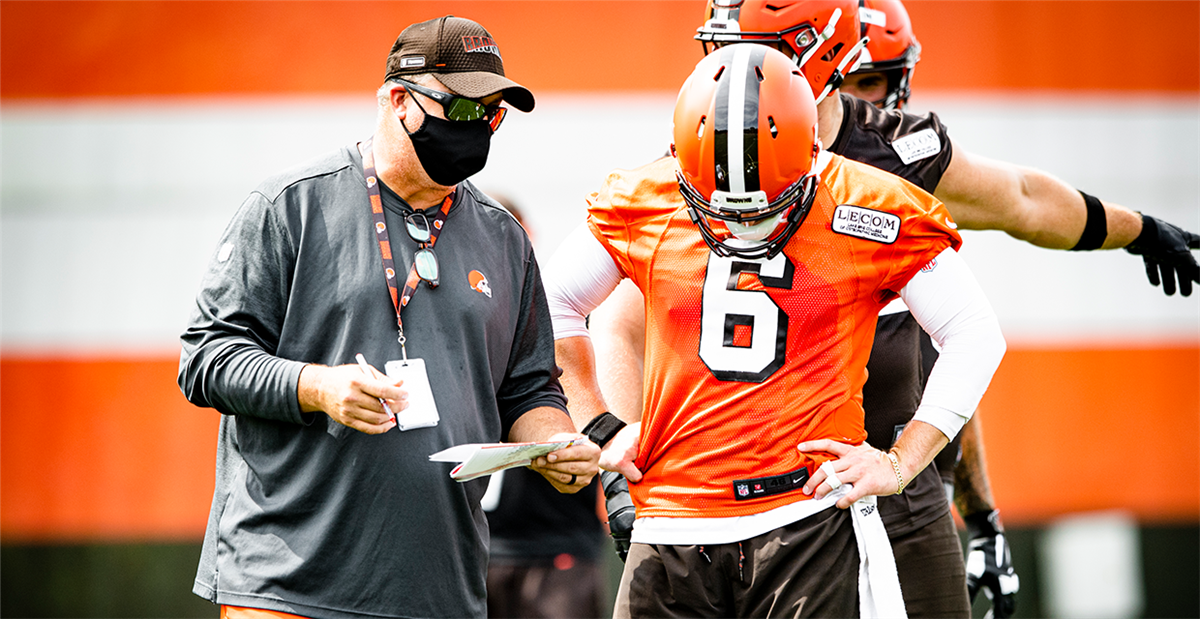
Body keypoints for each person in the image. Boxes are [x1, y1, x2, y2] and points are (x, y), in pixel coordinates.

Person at [591, 1, 1200, 617]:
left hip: (896, 485)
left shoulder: (895, 153)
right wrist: (621, 461)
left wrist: (1138, 229)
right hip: (766, 503)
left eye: (749, 46)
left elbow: (1016, 218)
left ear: (812, 52)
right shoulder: (712, 150)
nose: (729, 69)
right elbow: (619, 321)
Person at [545, 43, 1007, 618]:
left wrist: (900, 462)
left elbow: (974, 332)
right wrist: (598, 421)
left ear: (814, 153)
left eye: (765, 212)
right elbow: (551, 303)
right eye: (720, 212)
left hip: (805, 519)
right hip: (672, 520)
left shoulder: (868, 204)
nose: (742, 228)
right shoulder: (644, 199)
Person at [177, 15, 599, 619]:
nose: (478, 130)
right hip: (290, 586)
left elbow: (528, 387)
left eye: (492, 116)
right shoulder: (289, 207)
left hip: (439, 591)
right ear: (399, 100)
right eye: (463, 110)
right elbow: (205, 360)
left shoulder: (504, 240)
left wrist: (556, 443)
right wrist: (318, 387)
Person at [482, 195, 608, 619]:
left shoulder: (569, 318)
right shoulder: (464, 321)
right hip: (478, 546)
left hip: (557, 544)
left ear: (527, 238)